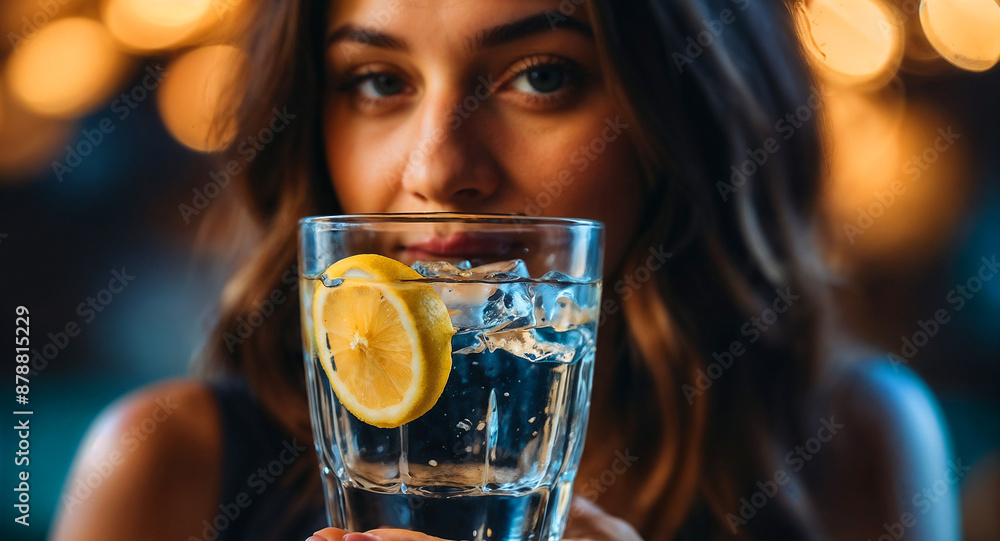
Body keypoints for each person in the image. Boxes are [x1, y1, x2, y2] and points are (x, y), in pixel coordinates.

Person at [51, 0, 961, 540]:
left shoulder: (853, 442)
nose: (437, 168)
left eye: (542, 77)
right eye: (377, 81)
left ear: (681, 112)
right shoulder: (164, 465)